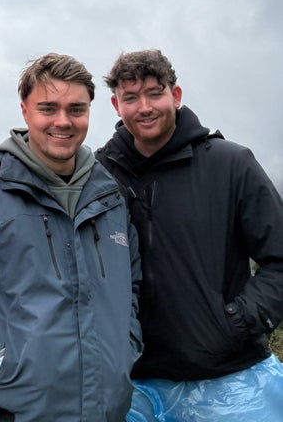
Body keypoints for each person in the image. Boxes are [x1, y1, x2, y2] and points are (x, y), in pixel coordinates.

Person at [0, 53, 142, 422]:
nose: (63, 121)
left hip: (106, 411)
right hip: (11, 412)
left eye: (76, 109)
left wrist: (127, 345)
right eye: (48, 108)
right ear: (25, 110)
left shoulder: (112, 196)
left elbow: (131, 288)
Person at [96, 49, 283, 421]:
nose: (144, 107)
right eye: (131, 98)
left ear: (176, 95)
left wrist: (238, 320)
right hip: (132, 382)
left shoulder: (231, 164)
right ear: (117, 105)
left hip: (226, 376)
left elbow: (279, 259)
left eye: (155, 93)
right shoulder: (100, 176)